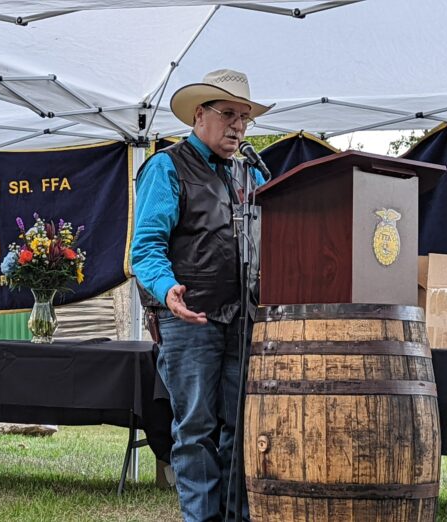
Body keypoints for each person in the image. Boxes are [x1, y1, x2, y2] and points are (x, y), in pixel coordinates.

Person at [131, 69, 273, 522]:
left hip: (242, 317)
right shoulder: (166, 165)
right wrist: (165, 289)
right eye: (228, 114)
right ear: (199, 116)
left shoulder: (249, 171)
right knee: (195, 428)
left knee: (239, 426)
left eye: (245, 118)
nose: (237, 126)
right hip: (188, 316)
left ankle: (235, 515)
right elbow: (146, 247)